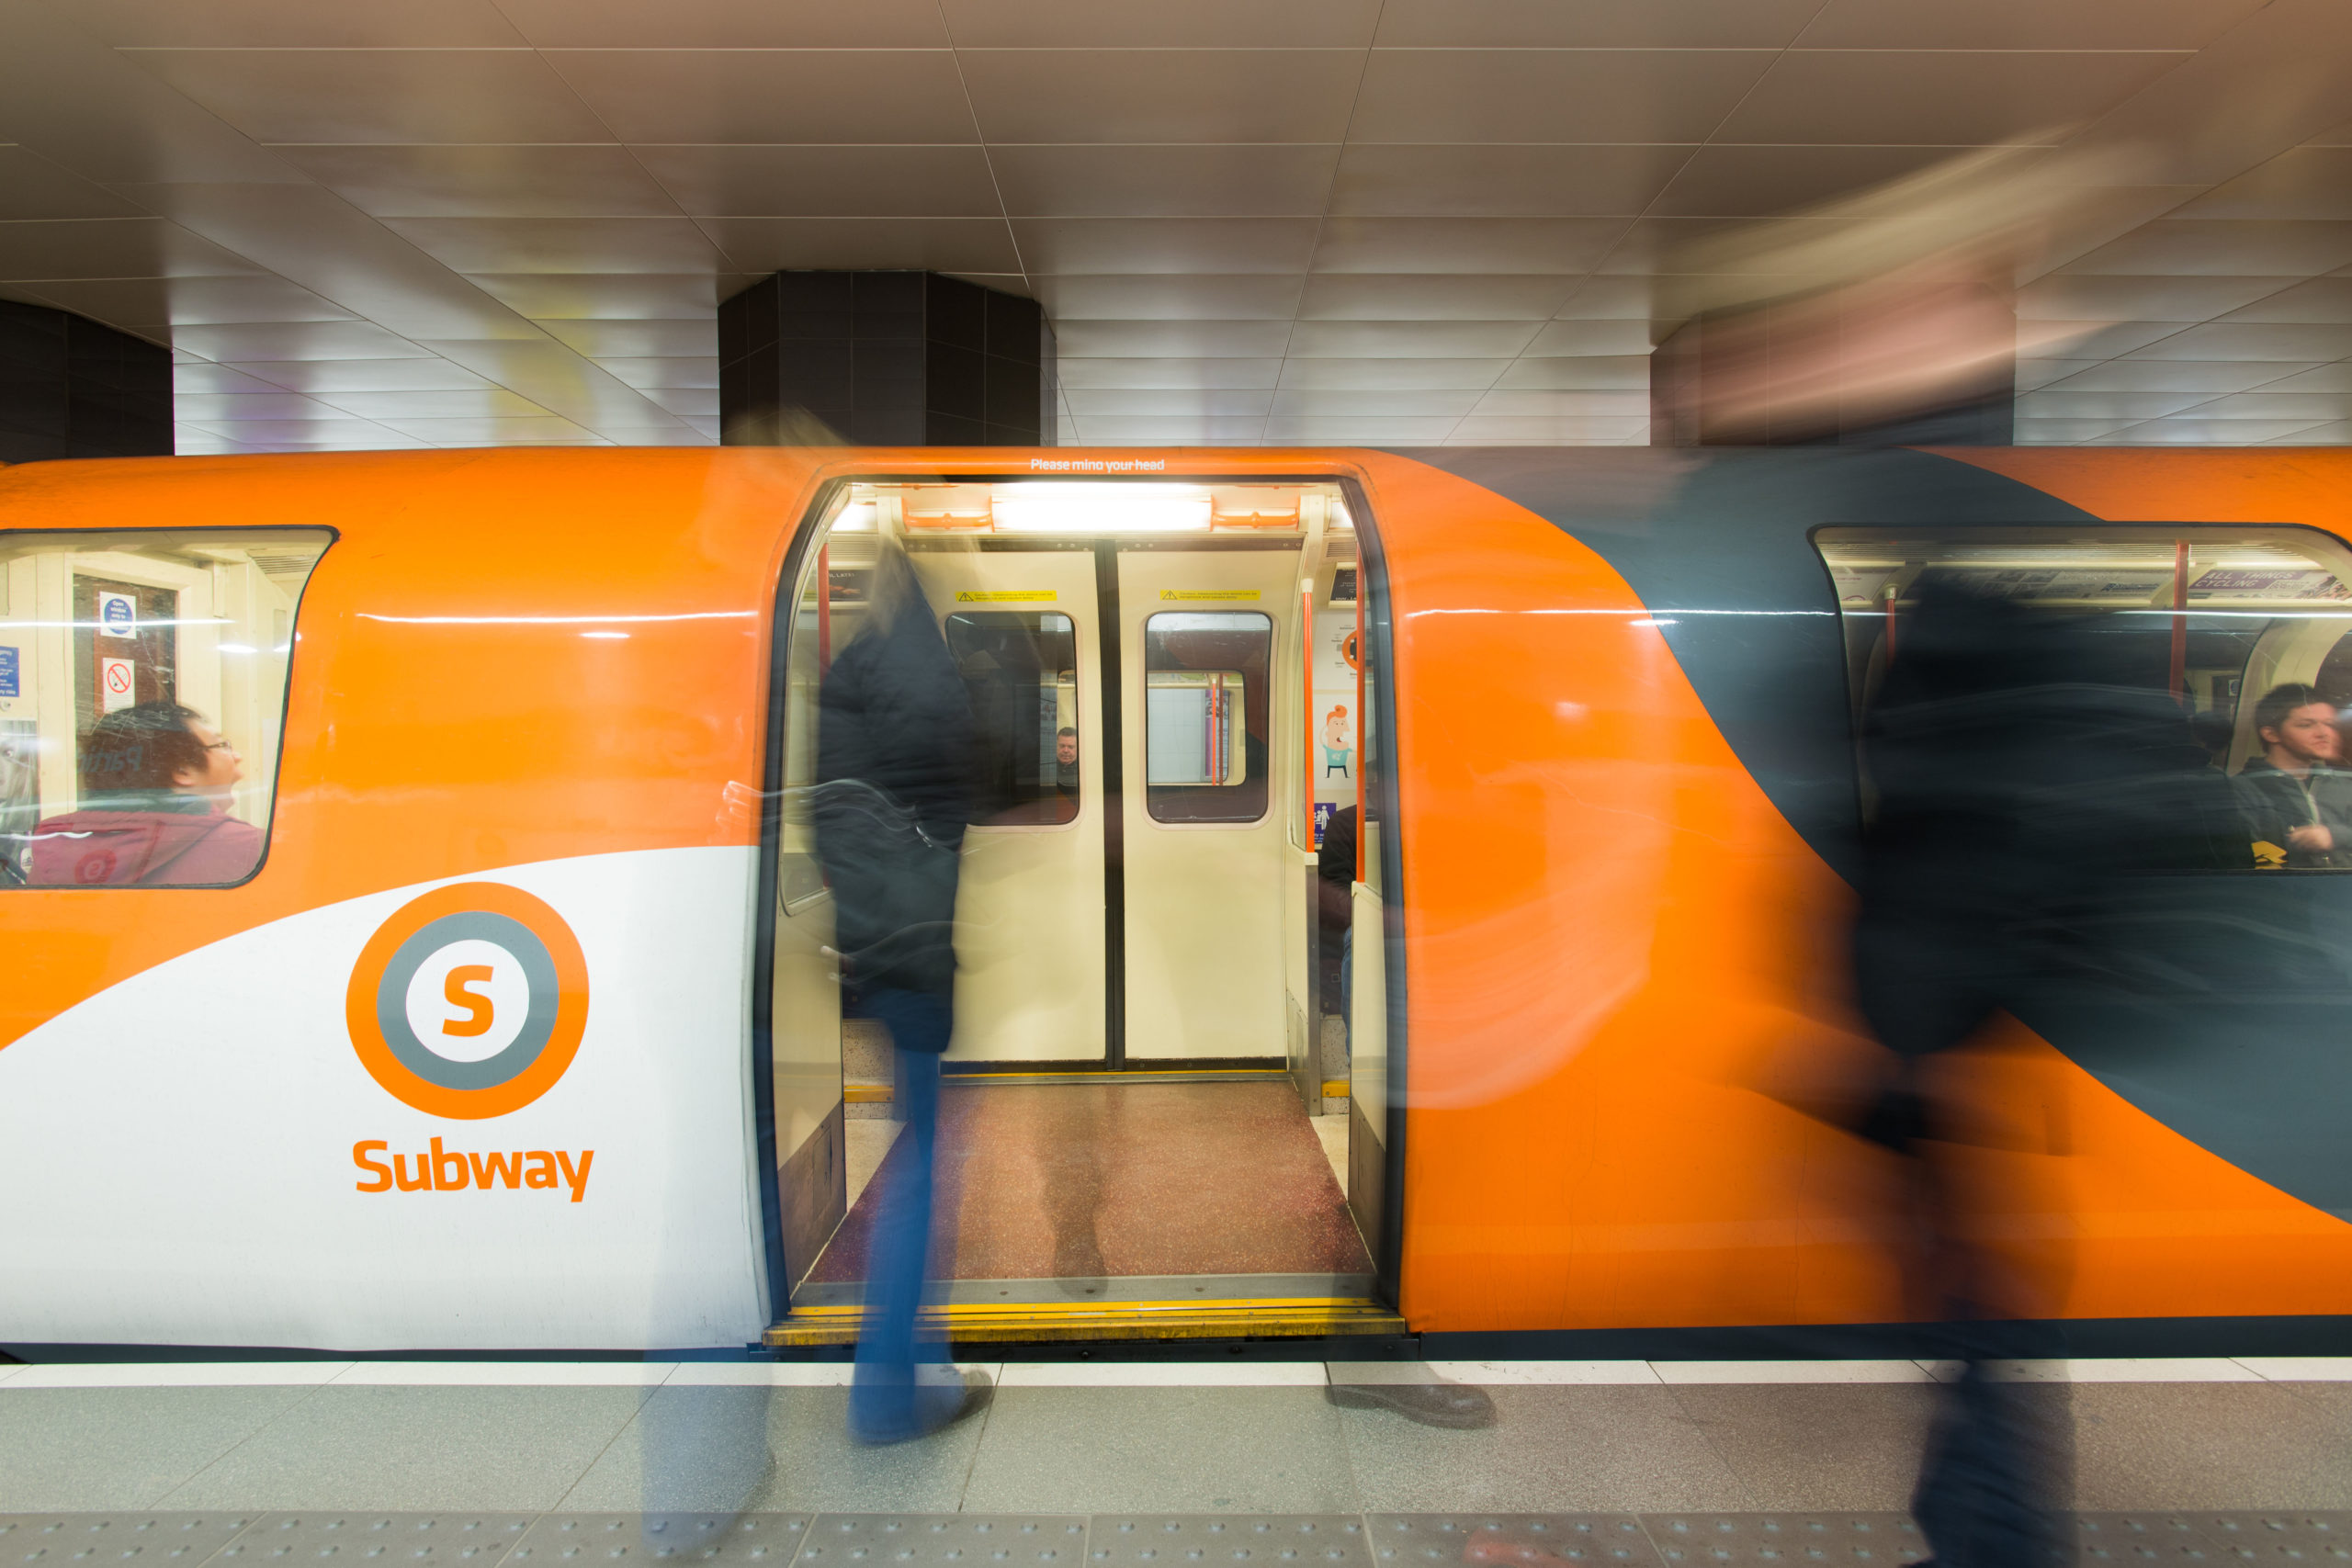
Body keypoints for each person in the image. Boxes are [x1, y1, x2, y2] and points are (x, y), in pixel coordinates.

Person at [811, 537, 989, 1446]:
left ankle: (909, 1376)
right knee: (922, 1166)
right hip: (918, 953)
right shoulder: (928, 672)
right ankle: (893, 1393)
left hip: (874, 954)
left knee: (911, 1154)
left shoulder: (845, 677)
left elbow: (829, 814)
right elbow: (962, 794)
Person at [29, 700, 262, 886]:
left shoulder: (52, 853)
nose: (237, 756)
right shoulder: (255, 851)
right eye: (221, 745)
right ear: (182, 770)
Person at [2232, 682, 2352, 869]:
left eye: (2330, 725)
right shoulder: (2244, 789)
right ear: (2271, 734)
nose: (2324, 733)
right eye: (2306, 725)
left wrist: (2335, 836)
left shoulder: (2342, 784)